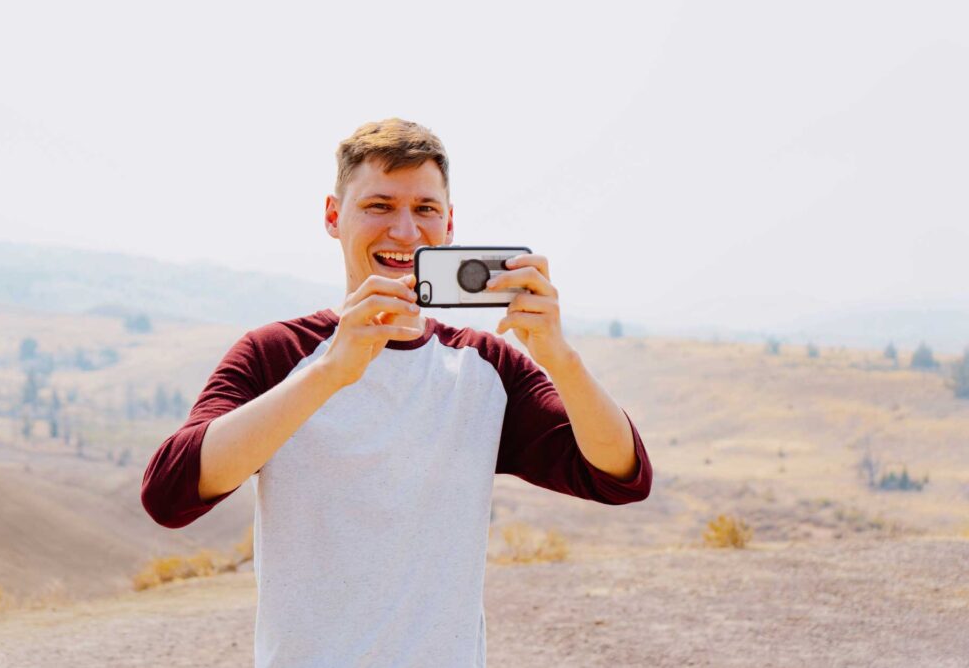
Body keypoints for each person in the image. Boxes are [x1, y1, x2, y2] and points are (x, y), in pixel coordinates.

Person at [140, 117, 653, 667]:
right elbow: (169, 495)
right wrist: (331, 370)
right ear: (334, 217)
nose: (405, 232)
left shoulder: (487, 367)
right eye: (379, 205)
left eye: (425, 209)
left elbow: (621, 476)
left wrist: (559, 357)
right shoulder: (276, 354)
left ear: (450, 224)